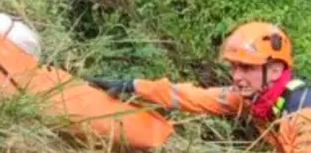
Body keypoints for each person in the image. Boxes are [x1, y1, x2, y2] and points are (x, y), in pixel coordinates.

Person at [88, 21, 311, 152]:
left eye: (246, 67)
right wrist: (133, 86)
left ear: (274, 70)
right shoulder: (259, 98)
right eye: (233, 67)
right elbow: (194, 97)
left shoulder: (303, 114)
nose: (236, 77)